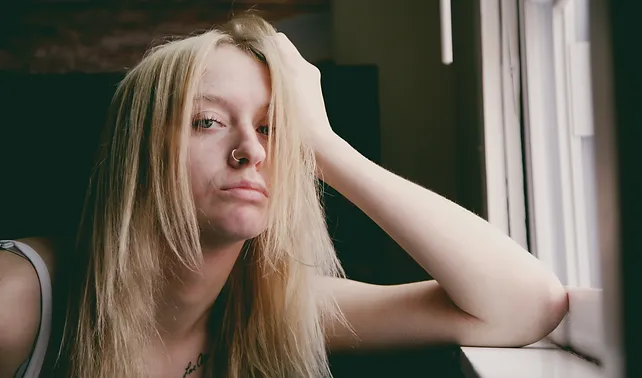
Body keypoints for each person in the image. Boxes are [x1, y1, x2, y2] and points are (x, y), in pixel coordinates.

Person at [0, 14, 568, 378]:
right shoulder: (18, 302)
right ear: (138, 153)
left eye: (273, 128)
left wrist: (323, 144)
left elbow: (527, 305)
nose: (252, 150)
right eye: (206, 121)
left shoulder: (275, 309)